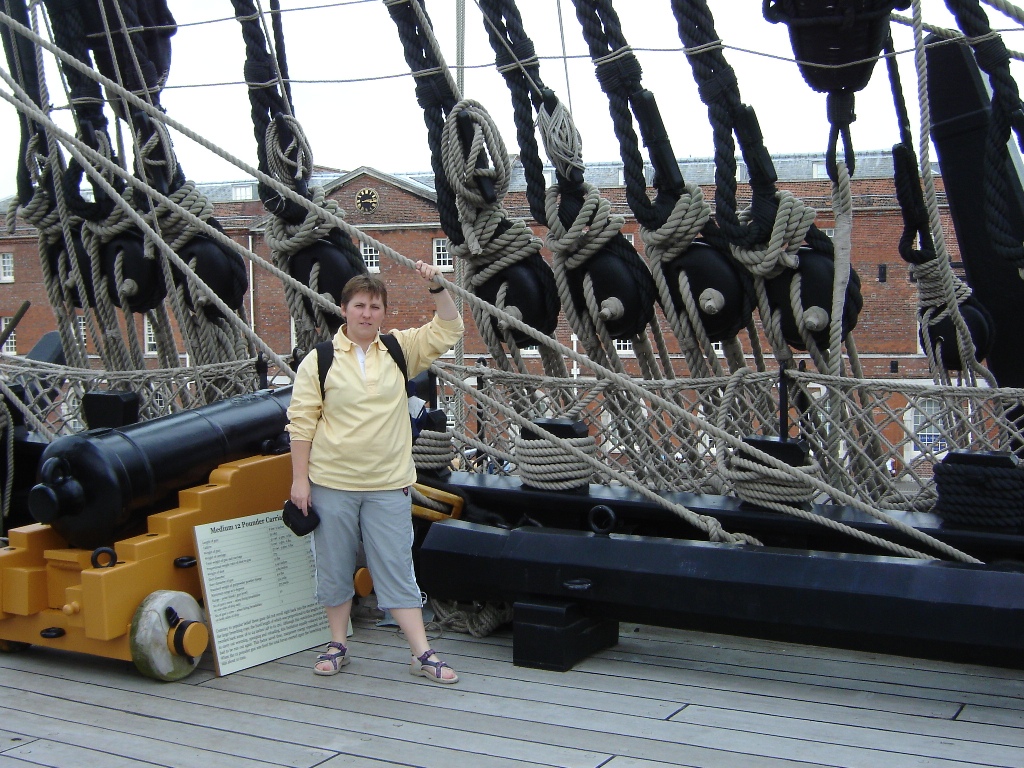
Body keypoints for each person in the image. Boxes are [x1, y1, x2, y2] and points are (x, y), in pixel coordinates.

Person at [286, 261, 463, 683]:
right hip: (332, 484)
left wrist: (438, 286)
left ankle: (421, 652)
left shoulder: (400, 349)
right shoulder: (320, 360)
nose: (367, 314)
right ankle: (337, 642)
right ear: (344, 309)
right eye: (360, 305)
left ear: (384, 313)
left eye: (375, 306)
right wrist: (299, 481)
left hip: (388, 485)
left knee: (397, 567)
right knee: (333, 565)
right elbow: (302, 421)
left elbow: (450, 329)